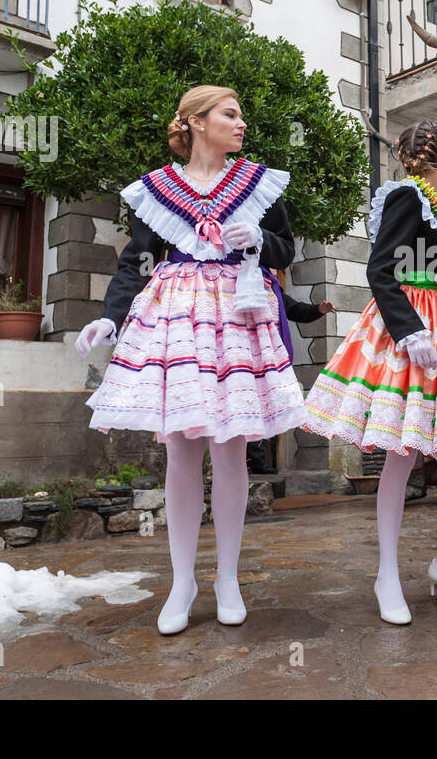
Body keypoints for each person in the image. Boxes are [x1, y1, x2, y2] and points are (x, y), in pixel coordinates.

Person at [75, 85, 304, 635]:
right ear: (197, 122)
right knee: (181, 450)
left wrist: (259, 241)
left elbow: (285, 250)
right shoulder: (157, 190)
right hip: (176, 315)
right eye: (230, 114)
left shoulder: (260, 183)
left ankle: (228, 577)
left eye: (241, 116)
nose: (241, 123)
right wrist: (111, 315)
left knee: (231, 451)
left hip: (236, 312)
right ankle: (183, 580)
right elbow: (136, 261)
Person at [300, 120, 437, 625]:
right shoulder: (406, 198)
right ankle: (387, 573)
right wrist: (408, 331)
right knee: (404, 449)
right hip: (415, 329)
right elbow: (382, 270)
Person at [247, 292, 336, 475]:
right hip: (246, 353)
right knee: (250, 405)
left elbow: (296, 309)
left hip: (272, 356)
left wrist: (318, 309)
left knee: (268, 406)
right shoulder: (236, 281)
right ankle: (251, 459)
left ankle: (257, 460)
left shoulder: (273, 289)